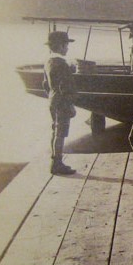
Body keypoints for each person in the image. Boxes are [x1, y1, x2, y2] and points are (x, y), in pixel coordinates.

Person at [44, 30, 77, 175]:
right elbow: (66, 87)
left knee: (55, 130)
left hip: (53, 99)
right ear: (61, 46)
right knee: (61, 132)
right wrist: (70, 104)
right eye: (66, 45)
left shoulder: (48, 62)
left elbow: (45, 84)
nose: (68, 48)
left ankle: (54, 159)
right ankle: (57, 164)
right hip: (62, 102)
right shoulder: (63, 64)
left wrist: (52, 95)